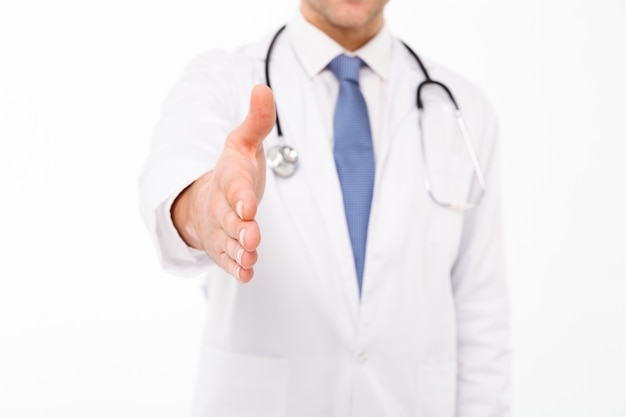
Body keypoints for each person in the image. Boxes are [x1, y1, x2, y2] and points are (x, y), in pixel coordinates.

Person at [140, 0, 510, 415]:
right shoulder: (223, 80)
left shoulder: (463, 109)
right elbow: (174, 177)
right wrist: (207, 210)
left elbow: (482, 320)